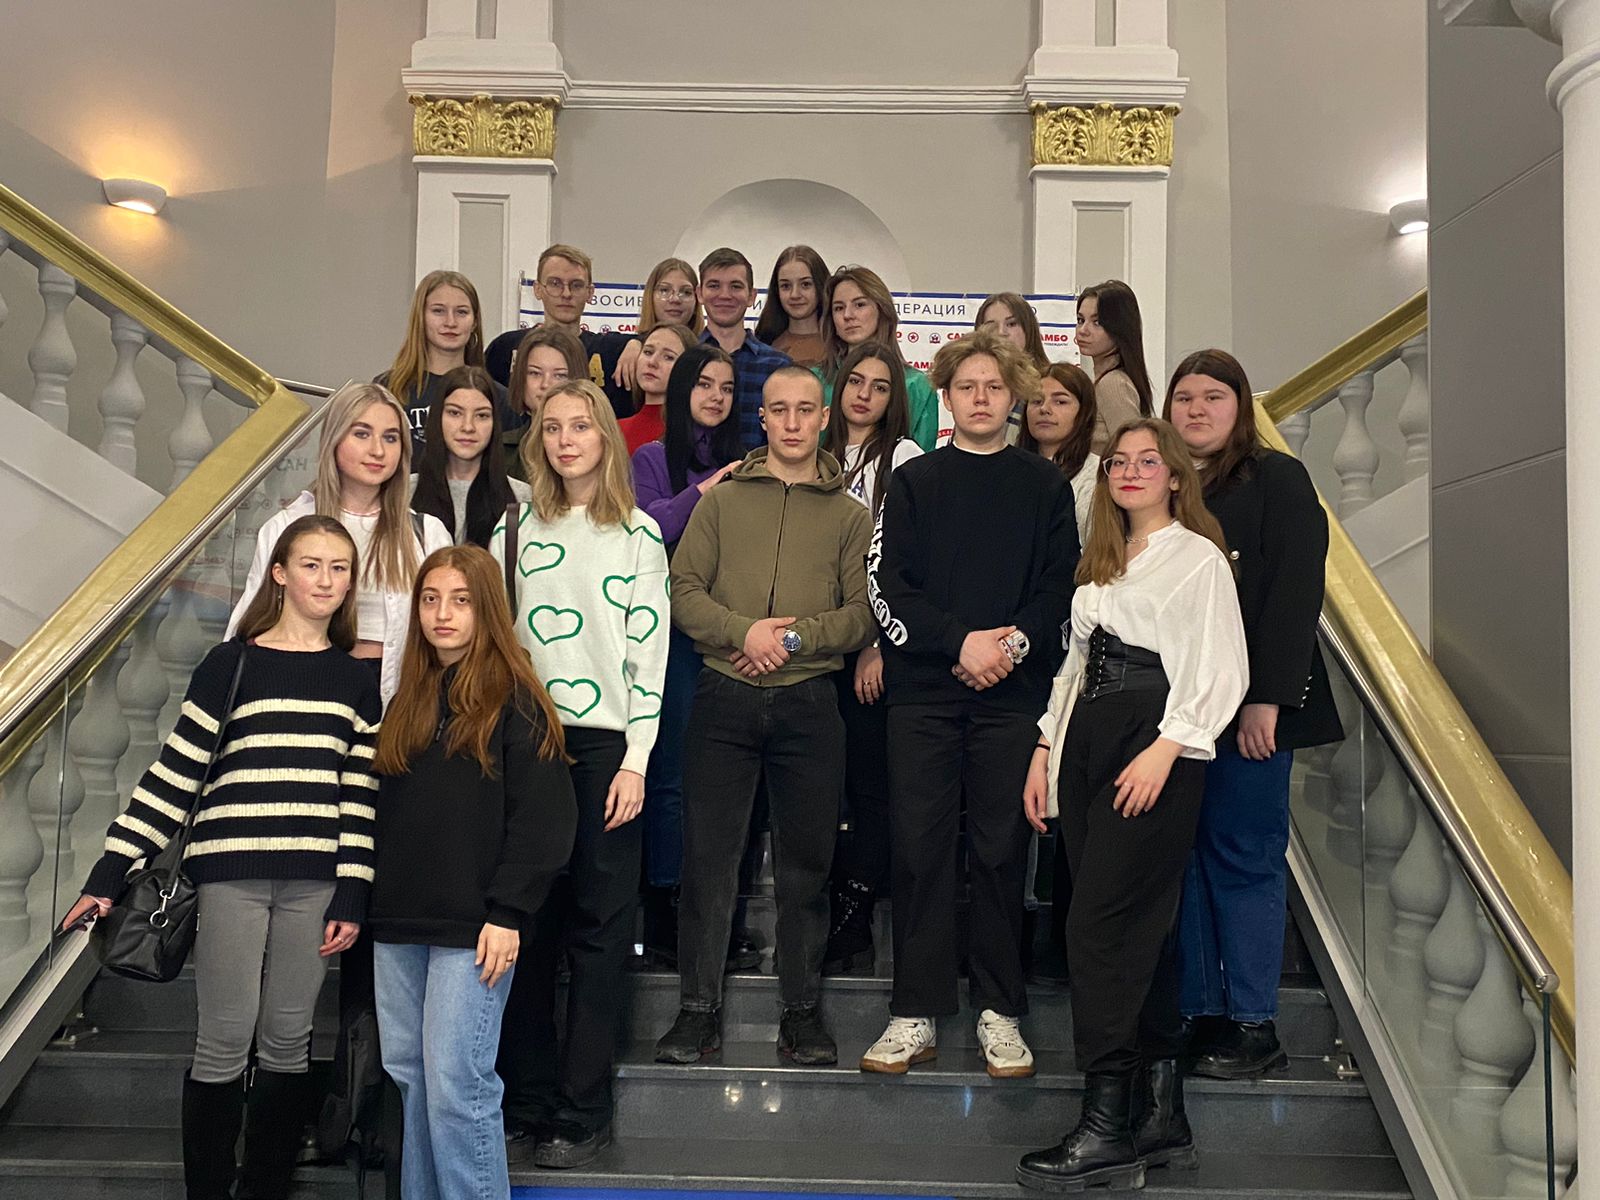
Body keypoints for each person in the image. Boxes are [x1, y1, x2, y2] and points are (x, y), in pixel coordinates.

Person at [63, 515, 382, 1200]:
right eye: (311, 565)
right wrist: (108, 874)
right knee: (224, 1040)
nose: (326, 580)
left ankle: (264, 1189)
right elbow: (174, 776)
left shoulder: (355, 680)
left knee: (289, 1041)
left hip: (316, 883)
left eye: (339, 568)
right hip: (230, 875)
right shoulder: (230, 664)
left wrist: (353, 892)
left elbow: (359, 799)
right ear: (279, 574)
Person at [1016, 419, 1248, 1193]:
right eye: (1119, 461)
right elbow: (1073, 668)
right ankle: (1161, 1115)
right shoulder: (1102, 564)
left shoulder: (1198, 558)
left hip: (1152, 743)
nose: (1131, 471)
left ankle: (1106, 1126)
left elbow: (1222, 667)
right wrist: (1045, 747)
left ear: (1176, 475)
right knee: (1137, 928)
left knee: (1100, 928)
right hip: (1087, 742)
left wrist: (1167, 746)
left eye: (1149, 461)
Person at [863, 329, 1078, 1081]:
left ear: (1012, 395)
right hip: (923, 697)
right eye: (966, 387)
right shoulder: (914, 482)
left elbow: (1059, 588)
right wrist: (959, 642)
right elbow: (888, 586)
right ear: (946, 397)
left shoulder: (1045, 487)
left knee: (999, 852)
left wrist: (1009, 646)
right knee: (919, 851)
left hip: (1011, 699)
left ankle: (1000, 1010)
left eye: (993, 386)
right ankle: (914, 1011)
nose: (981, 398)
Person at [653, 366, 875, 1068]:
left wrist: (791, 640)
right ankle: (696, 1013)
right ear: (763, 417)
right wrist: (742, 633)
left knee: (808, 867)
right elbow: (681, 589)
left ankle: (802, 1014)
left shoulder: (851, 515)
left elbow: (862, 613)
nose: (792, 422)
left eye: (805, 410)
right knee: (708, 862)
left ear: (823, 417)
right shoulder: (721, 502)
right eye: (779, 410)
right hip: (723, 696)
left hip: (810, 703)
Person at [492, 380, 669, 1168]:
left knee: (599, 931)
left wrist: (636, 760)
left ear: (605, 438)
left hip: (605, 748)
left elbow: (648, 657)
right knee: (526, 924)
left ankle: (582, 1107)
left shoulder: (637, 535)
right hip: (527, 743)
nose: (566, 440)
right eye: (553, 427)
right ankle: (525, 1098)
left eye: (581, 426)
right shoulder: (514, 527)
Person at [369, 544, 578, 1200]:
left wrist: (509, 911)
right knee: (411, 1080)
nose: (443, 614)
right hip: (397, 922)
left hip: (477, 929)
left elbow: (545, 822)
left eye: (460, 601)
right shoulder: (407, 698)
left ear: (487, 609)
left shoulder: (518, 700)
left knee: (458, 1087)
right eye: (431, 599)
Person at [1164, 350, 1342, 1079]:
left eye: (1214, 396)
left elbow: (1296, 590)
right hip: (1177, 710)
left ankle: (1253, 1024)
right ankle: (1201, 1010)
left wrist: (1268, 696)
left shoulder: (1277, 478)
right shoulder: (1165, 483)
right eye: (1184, 397)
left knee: (1243, 856)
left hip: (1248, 711)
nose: (1197, 409)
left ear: (1240, 407)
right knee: (1185, 859)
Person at [227, 381, 453, 707]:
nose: (378, 450)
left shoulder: (426, 533)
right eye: (361, 434)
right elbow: (250, 620)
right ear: (334, 439)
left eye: (390, 438)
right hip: (304, 691)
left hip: (400, 698)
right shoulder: (288, 526)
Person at [629, 343, 743, 963]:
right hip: (668, 637)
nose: (716, 397)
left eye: (726, 387)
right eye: (704, 384)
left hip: (730, 636)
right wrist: (712, 487)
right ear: (681, 390)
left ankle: (719, 912)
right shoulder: (650, 458)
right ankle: (666, 911)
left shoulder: (746, 460)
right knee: (670, 773)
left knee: (722, 782)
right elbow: (653, 528)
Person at [817, 341, 922, 973]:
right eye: (856, 381)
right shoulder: (814, 449)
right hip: (812, 643)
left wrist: (877, 644)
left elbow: (901, 562)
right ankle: (818, 907)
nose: (864, 395)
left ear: (894, 400)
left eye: (880, 387)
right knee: (820, 789)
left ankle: (853, 917)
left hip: (871, 645)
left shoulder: (903, 458)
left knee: (869, 787)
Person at [484, 244, 634, 419]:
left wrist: (637, 344)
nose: (566, 294)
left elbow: (659, 343)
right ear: (538, 289)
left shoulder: (613, 350)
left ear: (590, 292)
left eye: (576, 285)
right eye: (555, 283)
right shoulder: (504, 347)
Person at [379, 270, 503, 458]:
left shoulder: (497, 397)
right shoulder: (388, 389)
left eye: (461, 312)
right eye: (438, 311)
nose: (450, 322)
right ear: (421, 317)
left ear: (474, 322)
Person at [819, 265, 940, 451]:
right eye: (838, 308)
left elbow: (922, 461)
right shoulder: (815, 380)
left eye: (859, 305)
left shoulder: (918, 386)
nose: (848, 315)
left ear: (882, 309)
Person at [409, 364, 531, 548]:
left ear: (495, 423)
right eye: (455, 413)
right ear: (437, 417)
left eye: (481, 415)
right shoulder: (403, 494)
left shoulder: (524, 498)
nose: (468, 427)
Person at [693, 247, 792, 452]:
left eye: (735, 286)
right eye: (714, 285)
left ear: (751, 296)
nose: (725, 295)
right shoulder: (684, 358)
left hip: (761, 472)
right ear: (699, 293)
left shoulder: (778, 366)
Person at [1018, 361, 1100, 544]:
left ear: (1084, 412)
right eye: (1036, 401)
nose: (1044, 409)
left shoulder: (1098, 477)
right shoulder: (1010, 471)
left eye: (1060, 402)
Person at [1075, 280, 1154, 455]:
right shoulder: (1104, 380)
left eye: (1097, 322)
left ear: (1119, 328)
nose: (1083, 330)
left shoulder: (1113, 384)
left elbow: (1134, 451)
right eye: (1080, 320)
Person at [503, 325, 589, 476]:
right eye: (535, 373)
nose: (545, 384)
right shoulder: (499, 449)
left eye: (559, 375)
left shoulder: (595, 449)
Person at [976, 292, 1052, 442]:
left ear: (1028, 329)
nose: (1001, 333)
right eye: (991, 326)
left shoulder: (1048, 384)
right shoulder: (974, 386)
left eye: (1011, 324)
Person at [618, 321, 696, 454]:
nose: (652, 362)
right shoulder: (614, 430)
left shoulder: (697, 435)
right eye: (648, 352)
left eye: (668, 357)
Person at [754, 245, 831, 368]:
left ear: (821, 285)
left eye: (805, 284)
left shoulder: (841, 345)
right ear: (777, 291)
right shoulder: (762, 346)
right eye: (786, 286)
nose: (794, 294)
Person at [638, 257, 705, 337]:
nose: (675, 299)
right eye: (664, 290)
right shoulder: (630, 343)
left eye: (686, 292)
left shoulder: (709, 345)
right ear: (650, 297)